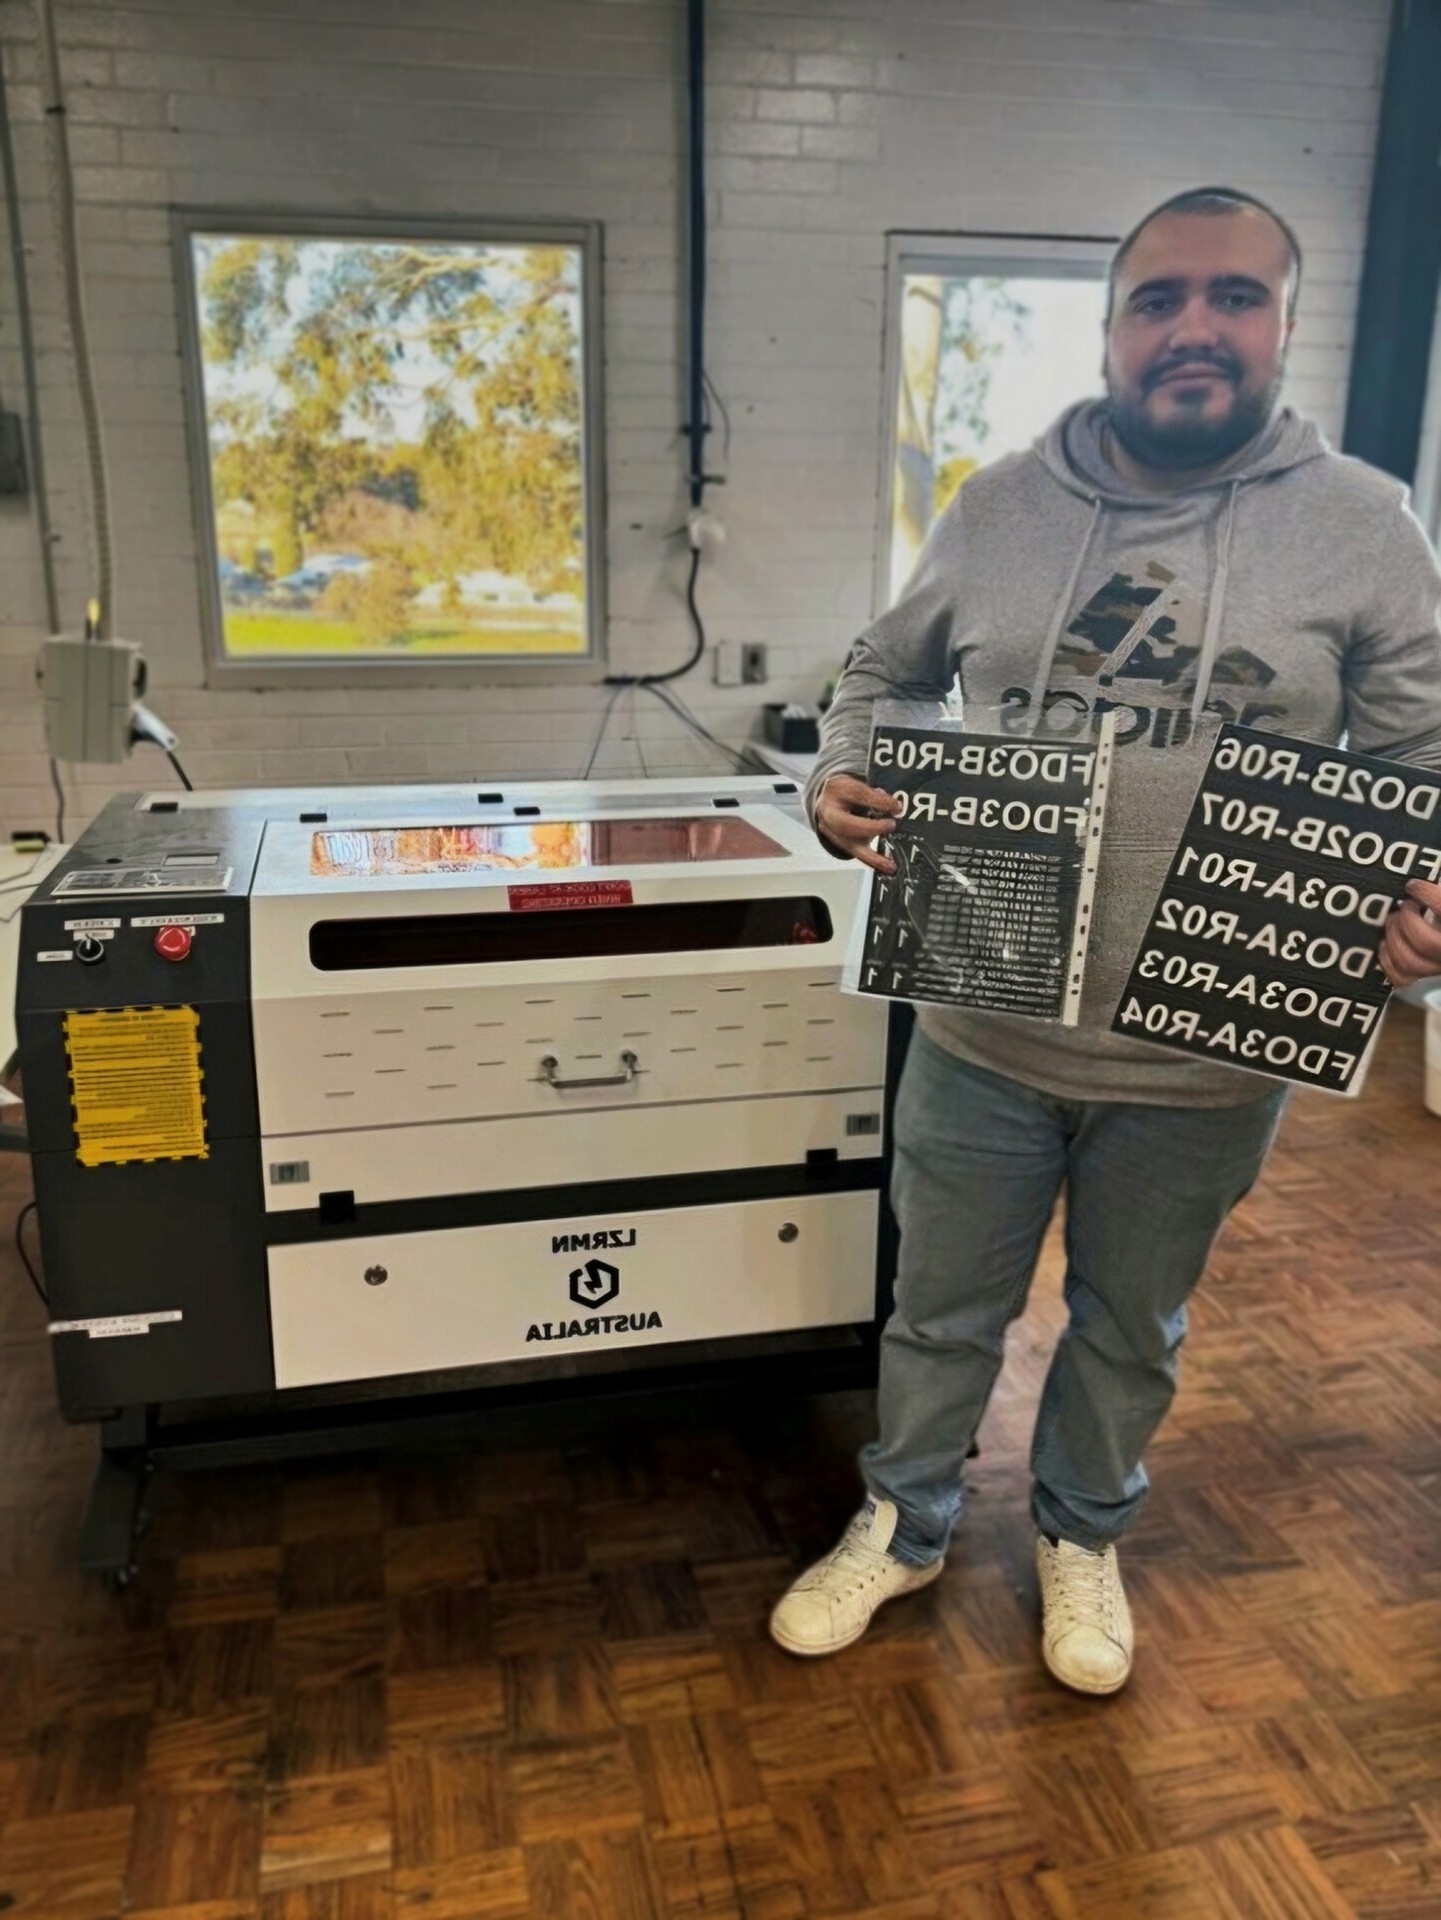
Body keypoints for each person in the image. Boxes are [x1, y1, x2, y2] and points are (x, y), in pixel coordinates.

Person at [770, 187, 1441, 1692]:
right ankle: (907, 1518)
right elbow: (880, 666)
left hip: (1207, 1054)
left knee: (1128, 1329)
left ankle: (1080, 1533)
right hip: (980, 1034)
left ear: (1280, 324)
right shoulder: (998, 504)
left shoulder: (1364, 526)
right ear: (1112, 330)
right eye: (1158, 300)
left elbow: (1423, 774)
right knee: (938, 1311)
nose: (1192, 328)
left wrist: (1425, 917)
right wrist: (838, 778)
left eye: (1232, 298)